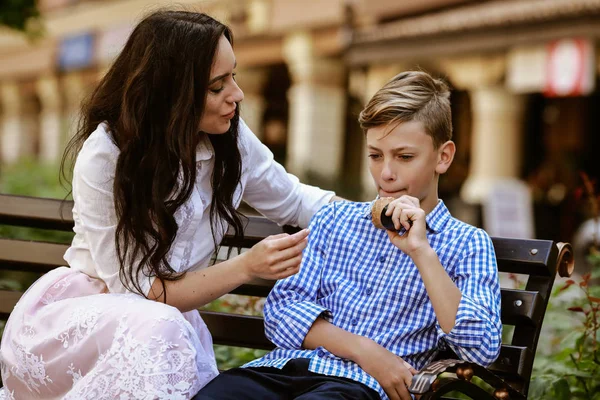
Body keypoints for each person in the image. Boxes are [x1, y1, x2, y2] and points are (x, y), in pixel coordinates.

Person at [0, 10, 341, 400]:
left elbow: (295, 200)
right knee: (161, 326)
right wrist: (247, 265)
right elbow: (143, 290)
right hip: (85, 326)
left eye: (234, 75)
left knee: (164, 328)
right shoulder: (107, 155)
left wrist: (379, 213)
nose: (237, 94)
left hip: (163, 327)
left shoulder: (229, 138)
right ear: (172, 93)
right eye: (217, 86)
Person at [195, 71, 502, 400]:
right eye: (375, 155)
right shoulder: (334, 219)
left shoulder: (468, 243)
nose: (385, 173)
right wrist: (366, 351)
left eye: (405, 157)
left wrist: (422, 252)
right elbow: (281, 312)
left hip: (359, 389)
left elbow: (479, 350)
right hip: (283, 370)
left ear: (443, 157)